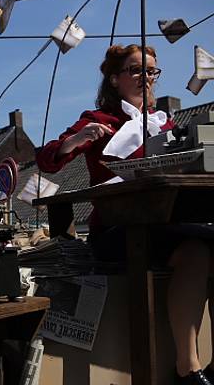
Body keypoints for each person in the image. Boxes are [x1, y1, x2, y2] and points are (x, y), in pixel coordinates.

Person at [37, 44, 214, 385]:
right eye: (135, 70)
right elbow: (47, 159)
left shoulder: (164, 122)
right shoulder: (97, 120)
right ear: (115, 79)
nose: (145, 78)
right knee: (196, 250)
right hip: (117, 230)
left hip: (165, 222)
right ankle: (187, 368)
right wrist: (76, 140)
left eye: (151, 71)